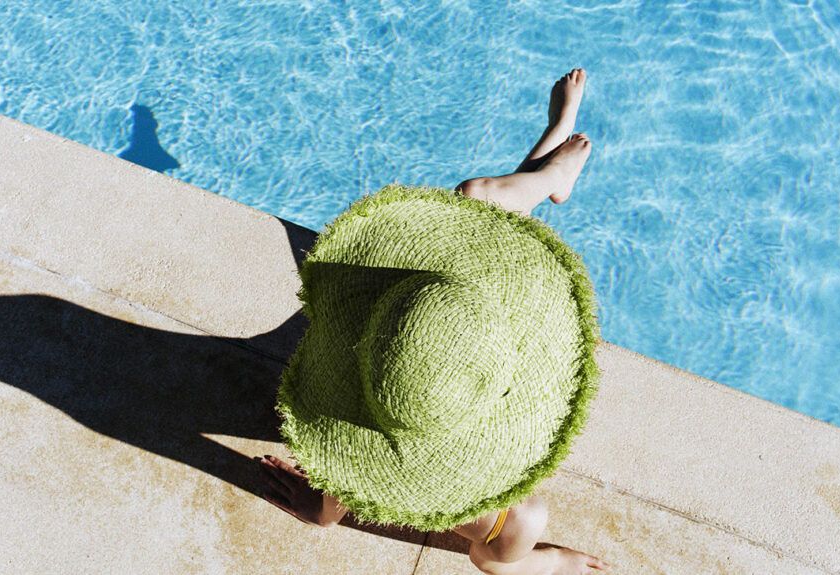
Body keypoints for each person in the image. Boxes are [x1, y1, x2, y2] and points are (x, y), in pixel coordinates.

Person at [260, 68, 608, 574]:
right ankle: (550, 176)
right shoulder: (515, 516)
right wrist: (552, 565)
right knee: (478, 215)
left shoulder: (516, 527)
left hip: (402, 368)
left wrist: (321, 512)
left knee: (476, 213)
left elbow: (347, 478)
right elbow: (489, 560)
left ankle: (548, 175)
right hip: (443, 377)